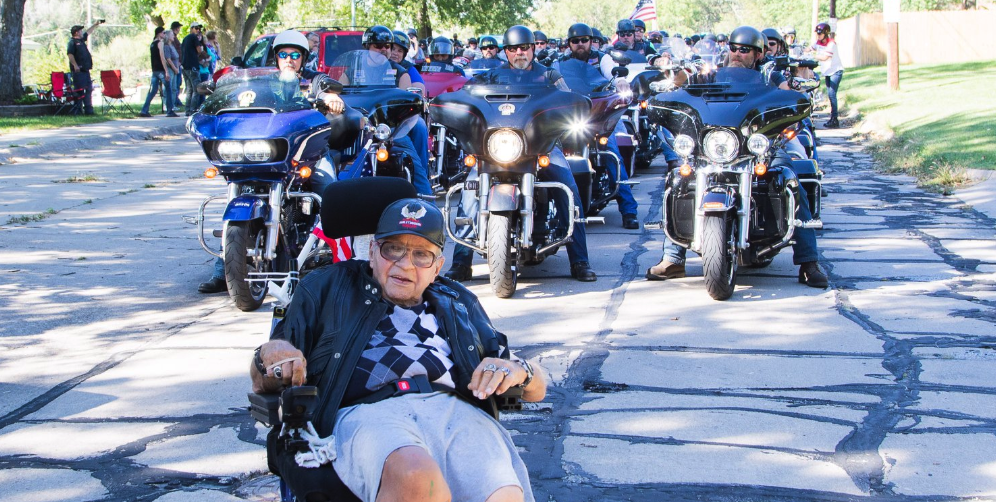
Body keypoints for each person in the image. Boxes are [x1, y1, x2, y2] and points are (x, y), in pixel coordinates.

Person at [251, 197, 546, 502]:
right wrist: (273, 354)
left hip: (458, 413)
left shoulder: (459, 300)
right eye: (393, 249)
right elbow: (270, 362)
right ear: (372, 251)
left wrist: (519, 371)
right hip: (371, 410)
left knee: (504, 495)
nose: (405, 265)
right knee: (416, 479)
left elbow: (535, 388)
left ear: (438, 267)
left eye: (422, 255)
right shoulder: (327, 286)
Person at [645, 26, 829, 288]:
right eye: (733, 47)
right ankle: (672, 258)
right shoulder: (710, 75)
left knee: (791, 180)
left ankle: (809, 262)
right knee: (679, 179)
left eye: (745, 50)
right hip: (716, 146)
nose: (737, 53)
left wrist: (797, 89)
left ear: (758, 54)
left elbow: (789, 92)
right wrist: (674, 73)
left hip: (760, 148)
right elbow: (684, 84)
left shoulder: (770, 76)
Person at [197, 30, 347, 294]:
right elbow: (239, 98)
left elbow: (328, 89)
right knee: (239, 190)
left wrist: (331, 98)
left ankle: (341, 262)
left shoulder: (314, 80)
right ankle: (223, 270)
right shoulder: (263, 81)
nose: (289, 59)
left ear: (304, 58)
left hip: (305, 152)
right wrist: (219, 95)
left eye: (295, 55)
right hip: (267, 153)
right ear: (275, 56)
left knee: (329, 190)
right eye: (284, 54)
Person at [444, 25, 597, 283]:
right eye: (513, 49)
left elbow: (569, 98)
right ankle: (460, 263)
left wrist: (574, 106)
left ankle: (580, 261)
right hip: (497, 146)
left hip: (542, 146)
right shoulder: (491, 76)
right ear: (506, 52)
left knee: (568, 190)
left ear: (533, 48)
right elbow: (466, 97)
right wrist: (450, 104)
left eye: (524, 47)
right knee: (470, 190)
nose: (519, 53)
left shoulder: (549, 76)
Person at [555, 22, 639, 229]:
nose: (580, 44)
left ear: (591, 41)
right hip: (569, 118)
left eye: (584, 40)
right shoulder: (560, 62)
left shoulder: (602, 58)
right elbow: (551, 79)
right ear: (569, 44)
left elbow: (613, 72)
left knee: (612, 153)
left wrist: (620, 82)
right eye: (576, 41)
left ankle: (629, 211)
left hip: (597, 117)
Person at [809, 22, 844, 128]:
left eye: (820, 34)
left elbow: (825, 58)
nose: (818, 36)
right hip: (828, 72)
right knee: (830, 94)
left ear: (826, 33)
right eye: (817, 34)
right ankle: (833, 118)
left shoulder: (831, 44)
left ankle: (834, 119)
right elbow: (810, 49)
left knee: (832, 94)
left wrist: (814, 55)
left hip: (835, 71)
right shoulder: (818, 43)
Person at [139, 27, 177, 118]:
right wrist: (166, 71)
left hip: (155, 70)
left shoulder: (152, 44)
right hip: (161, 70)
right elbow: (162, 58)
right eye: (163, 33)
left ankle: (144, 110)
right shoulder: (160, 43)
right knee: (168, 89)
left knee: (153, 90)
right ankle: (170, 110)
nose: (164, 34)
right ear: (159, 34)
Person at [66, 20, 103, 115]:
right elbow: (70, 55)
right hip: (78, 71)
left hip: (86, 70)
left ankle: (89, 110)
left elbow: (88, 32)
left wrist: (95, 25)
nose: (82, 32)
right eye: (80, 31)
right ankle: (78, 110)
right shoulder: (72, 42)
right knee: (79, 91)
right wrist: (75, 65)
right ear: (76, 33)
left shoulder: (81, 40)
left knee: (89, 89)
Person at [181, 22, 207, 116]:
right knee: (196, 89)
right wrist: (203, 55)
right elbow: (199, 50)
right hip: (192, 67)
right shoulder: (193, 37)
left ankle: (187, 110)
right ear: (192, 28)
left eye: (199, 29)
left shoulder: (185, 38)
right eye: (196, 28)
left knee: (189, 89)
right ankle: (193, 110)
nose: (198, 30)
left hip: (185, 66)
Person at [169, 21, 183, 104]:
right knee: (175, 84)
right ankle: (173, 101)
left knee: (177, 83)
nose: (179, 30)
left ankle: (176, 100)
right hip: (175, 63)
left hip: (178, 62)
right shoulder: (172, 39)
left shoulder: (175, 38)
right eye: (178, 28)